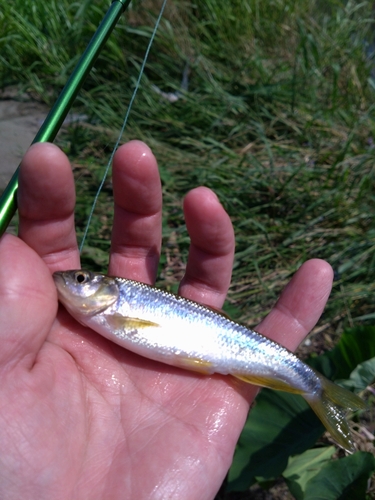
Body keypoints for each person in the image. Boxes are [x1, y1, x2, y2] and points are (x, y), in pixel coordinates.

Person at [0, 141, 333, 499]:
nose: (71, 280)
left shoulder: (115, 307)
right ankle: (318, 389)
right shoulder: (97, 314)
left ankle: (316, 388)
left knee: (297, 377)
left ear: (107, 291)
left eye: (81, 279)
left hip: (221, 348)